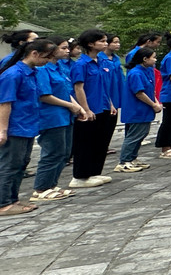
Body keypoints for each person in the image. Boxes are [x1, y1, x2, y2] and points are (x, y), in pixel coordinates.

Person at [0, 38, 58, 215]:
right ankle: (3, 203)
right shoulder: (13, 74)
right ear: (34, 54)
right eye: (46, 57)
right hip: (15, 127)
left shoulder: (32, 73)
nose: (48, 61)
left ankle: (13, 199)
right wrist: (2, 129)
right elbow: (5, 103)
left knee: (21, 164)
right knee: (9, 165)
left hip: (28, 125)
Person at [32, 38, 87, 201]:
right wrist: (70, 106)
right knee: (52, 152)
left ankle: (51, 184)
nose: (67, 51)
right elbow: (45, 95)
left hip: (65, 115)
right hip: (51, 116)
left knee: (64, 153)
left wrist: (77, 106)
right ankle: (41, 188)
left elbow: (66, 91)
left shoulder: (59, 68)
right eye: (63, 48)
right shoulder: (43, 69)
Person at [70, 30, 115, 188]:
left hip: (103, 106)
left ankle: (94, 172)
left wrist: (110, 104)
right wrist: (86, 109)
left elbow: (104, 86)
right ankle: (80, 176)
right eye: (101, 41)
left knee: (100, 142)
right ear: (90, 44)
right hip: (89, 109)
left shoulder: (102, 62)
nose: (105, 44)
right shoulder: (81, 64)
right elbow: (78, 88)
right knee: (85, 143)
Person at [114, 48, 160, 172]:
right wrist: (153, 105)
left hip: (143, 110)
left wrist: (155, 102)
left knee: (140, 135)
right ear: (145, 59)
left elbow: (150, 91)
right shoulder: (136, 73)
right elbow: (139, 93)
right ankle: (124, 161)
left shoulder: (145, 71)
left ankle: (132, 158)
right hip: (136, 110)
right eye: (153, 57)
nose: (155, 60)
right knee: (134, 136)